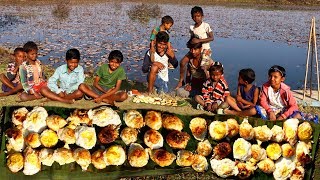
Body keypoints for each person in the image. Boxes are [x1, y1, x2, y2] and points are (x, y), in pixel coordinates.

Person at [189, 6, 214, 79]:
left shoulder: (205, 25)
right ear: (192, 17)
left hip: (205, 50)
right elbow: (191, 38)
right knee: (183, 62)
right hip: (196, 49)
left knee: (203, 67)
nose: (196, 18)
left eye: (198, 16)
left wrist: (199, 40)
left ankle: (207, 81)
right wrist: (190, 45)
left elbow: (212, 38)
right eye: (194, 16)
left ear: (202, 16)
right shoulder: (192, 27)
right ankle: (182, 81)